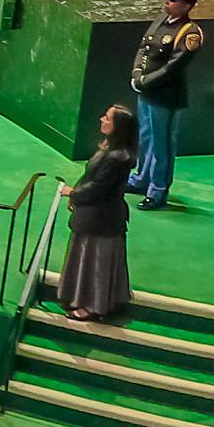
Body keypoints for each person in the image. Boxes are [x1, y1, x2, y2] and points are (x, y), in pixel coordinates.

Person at [126, 0, 201, 210]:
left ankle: (158, 191)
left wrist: (145, 81)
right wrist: (137, 74)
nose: (168, 1)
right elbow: (144, 48)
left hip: (166, 96)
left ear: (186, 5)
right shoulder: (162, 20)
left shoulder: (190, 32)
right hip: (147, 92)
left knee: (162, 144)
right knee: (146, 136)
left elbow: (173, 68)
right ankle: (141, 179)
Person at [62, 106, 138, 322]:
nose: (101, 119)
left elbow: (98, 187)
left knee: (96, 263)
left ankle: (93, 306)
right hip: (95, 216)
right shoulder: (109, 150)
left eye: (107, 118)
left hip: (102, 219)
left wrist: (73, 193)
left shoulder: (117, 157)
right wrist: (76, 195)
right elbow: (90, 176)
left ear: (118, 127)